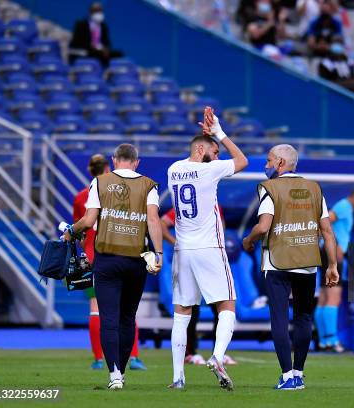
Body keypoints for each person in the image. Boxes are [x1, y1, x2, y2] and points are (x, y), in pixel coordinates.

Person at [64, 143, 163, 389]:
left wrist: (69, 232)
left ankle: (114, 375)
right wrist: (158, 253)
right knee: (128, 318)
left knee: (108, 317)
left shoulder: (100, 182)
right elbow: (153, 220)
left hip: (107, 258)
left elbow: (88, 220)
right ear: (137, 162)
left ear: (114, 159)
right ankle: (123, 366)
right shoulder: (149, 185)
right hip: (136, 259)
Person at [242, 144, 339, 390]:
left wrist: (248, 239)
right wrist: (332, 265)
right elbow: (327, 231)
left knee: (279, 318)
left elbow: (263, 226)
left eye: (269, 160)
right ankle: (298, 373)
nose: (266, 165)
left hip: (277, 262)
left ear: (281, 163)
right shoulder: (315, 189)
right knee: (304, 317)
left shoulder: (271, 189)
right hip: (307, 262)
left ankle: (287, 376)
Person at [167, 107, 248, 390]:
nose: (218, 157)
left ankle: (178, 377)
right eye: (214, 152)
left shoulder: (173, 169)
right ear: (201, 148)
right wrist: (220, 133)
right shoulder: (209, 169)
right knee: (227, 304)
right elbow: (242, 160)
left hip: (182, 250)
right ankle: (217, 355)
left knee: (182, 312)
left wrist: (210, 142)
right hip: (209, 247)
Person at [73, 154, 146, 371]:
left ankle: (98, 358)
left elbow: (83, 226)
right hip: (116, 251)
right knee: (127, 309)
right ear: (108, 166)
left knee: (96, 309)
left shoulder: (80, 197)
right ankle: (132, 356)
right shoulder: (118, 190)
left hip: (89, 255)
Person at [160, 207, 237, 366]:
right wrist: (175, 241)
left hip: (207, 256)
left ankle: (218, 353)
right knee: (189, 307)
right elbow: (162, 222)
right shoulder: (186, 204)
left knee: (220, 306)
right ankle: (190, 352)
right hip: (191, 255)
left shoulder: (215, 206)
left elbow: (220, 227)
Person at [315, 185, 354, 352]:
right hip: (332, 254)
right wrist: (335, 245)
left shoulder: (343, 206)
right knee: (333, 298)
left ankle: (323, 341)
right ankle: (332, 341)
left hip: (326, 252)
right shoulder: (344, 206)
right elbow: (325, 223)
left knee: (324, 298)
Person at [69, 2, 123, 66]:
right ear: (90, 12)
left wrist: (106, 49)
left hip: (100, 52)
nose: (99, 13)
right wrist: (93, 47)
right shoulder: (81, 24)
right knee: (97, 54)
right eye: (96, 11)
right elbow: (76, 42)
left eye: (100, 11)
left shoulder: (104, 26)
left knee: (118, 54)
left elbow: (107, 42)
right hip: (85, 51)